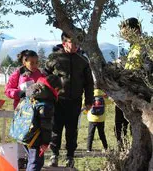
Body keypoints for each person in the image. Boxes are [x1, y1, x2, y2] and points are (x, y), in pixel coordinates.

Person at [45, 31, 94, 168]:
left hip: (75, 101)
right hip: (57, 101)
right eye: (73, 42)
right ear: (64, 42)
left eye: (78, 43)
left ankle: (70, 156)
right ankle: (54, 154)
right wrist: (51, 89)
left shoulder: (83, 60)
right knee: (56, 128)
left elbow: (89, 83)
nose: (76, 46)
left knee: (72, 130)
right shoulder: (54, 57)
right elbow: (44, 75)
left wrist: (89, 100)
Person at [5, 49, 43, 168]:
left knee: (34, 136)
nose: (35, 65)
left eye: (37, 62)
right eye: (32, 62)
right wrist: (20, 93)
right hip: (21, 110)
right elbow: (8, 90)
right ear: (24, 62)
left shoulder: (40, 74)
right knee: (22, 134)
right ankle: (21, 160)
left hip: (36, 110)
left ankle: (31, 161)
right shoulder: (17, 73)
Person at [114, 17, 143, 150]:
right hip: (126, 92)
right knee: (119, 124)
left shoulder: (144, 47)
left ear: (135, 30)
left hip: (138, 94)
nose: (124, 37)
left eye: (126, 33)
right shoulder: (133, 48)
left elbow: (145, 70)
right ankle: (124, 150)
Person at [23, 75, 62, 171]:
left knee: (31, 160)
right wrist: (45, 142)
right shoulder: (47, 104)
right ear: (56, 89)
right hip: (36, 138)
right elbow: (46, 126)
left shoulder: (32, 96)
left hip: (24, 134)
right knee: (36, 163)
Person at [85, 87, 108, 152]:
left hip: (92, 118)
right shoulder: (103, 96)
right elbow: (110, 101)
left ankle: (88, 149)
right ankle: (105, 147)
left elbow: (84, 103)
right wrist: (107, 96)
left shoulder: (90, 95)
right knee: (102, 134)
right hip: (101, 119)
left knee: (90, 134)